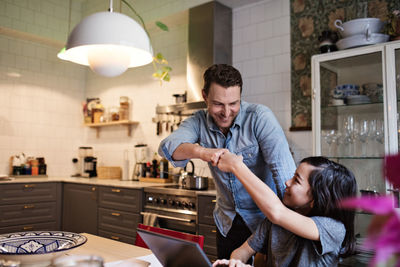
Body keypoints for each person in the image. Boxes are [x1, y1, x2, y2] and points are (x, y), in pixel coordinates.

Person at [158, 64, 296, 260]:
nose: (226, 112)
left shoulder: (260, 117)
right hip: (227, 223)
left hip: (265, 223)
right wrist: (203, 152)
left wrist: (288, 225)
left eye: (233, 103)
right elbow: (167, 147)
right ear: (204, 96)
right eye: (218, 104)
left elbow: (284, 175)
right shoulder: (198, 121)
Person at [213, 155, 357, 267]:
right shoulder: (274, 221)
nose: (287, 182)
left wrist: (237, 166)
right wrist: (236, 262)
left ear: (315, 198)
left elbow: (277, 212)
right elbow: (241, 252)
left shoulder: (333, 228)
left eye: (296, 180)